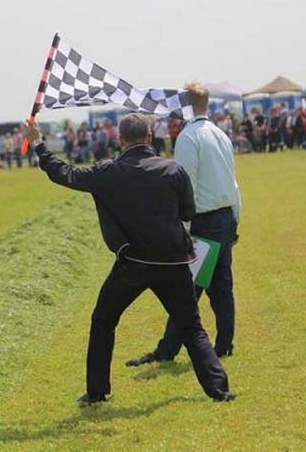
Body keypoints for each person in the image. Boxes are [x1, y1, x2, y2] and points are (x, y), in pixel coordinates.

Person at [23, 113, 234, 404]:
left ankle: (96, 393)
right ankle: (219, 391)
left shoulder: (108, 172)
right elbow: (188, 213)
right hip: (173, 262)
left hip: (132, 264)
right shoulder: (174, 171)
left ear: (120, 140)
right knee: (192, 327)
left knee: (103, 321)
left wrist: (38, 144)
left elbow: (64, 173)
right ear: (150, 137)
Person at [127, 82, 242, 367]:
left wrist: (183, 227)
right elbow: (233, 181)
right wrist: (236, 218)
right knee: (221, 286)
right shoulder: (220, 135)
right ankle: (224, 344)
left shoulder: (189, 137)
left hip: (203, 221)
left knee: (187, 291)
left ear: (185, 105)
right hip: (226, 216)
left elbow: (185, 185)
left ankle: (167, 351)